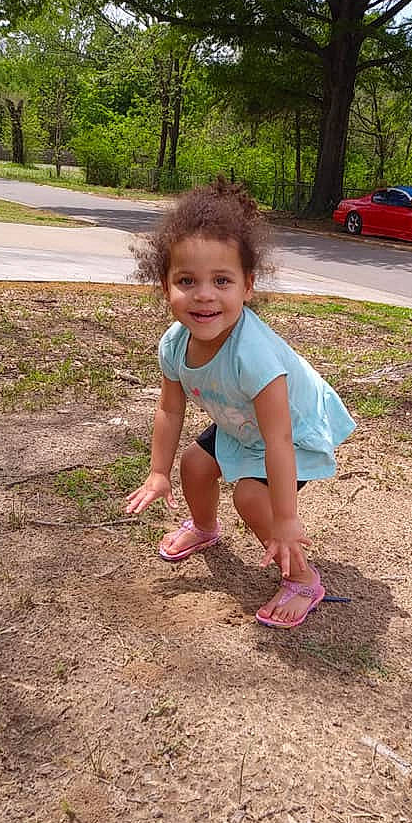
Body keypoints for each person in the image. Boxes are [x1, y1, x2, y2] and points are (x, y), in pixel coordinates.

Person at [125, 178, 356, 629]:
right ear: (164, 284)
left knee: (251, 495)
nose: (204, 294)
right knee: (194, 464)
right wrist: (157, 472)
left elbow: (280, 437)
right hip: (242, 423)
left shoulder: (255, 356)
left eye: (222, 280)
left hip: (292, 428)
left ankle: (303, 580)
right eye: (186, 281)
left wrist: (286, 519)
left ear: (248, 286)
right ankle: (206, 529)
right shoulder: (174, 345)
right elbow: (170, 410)